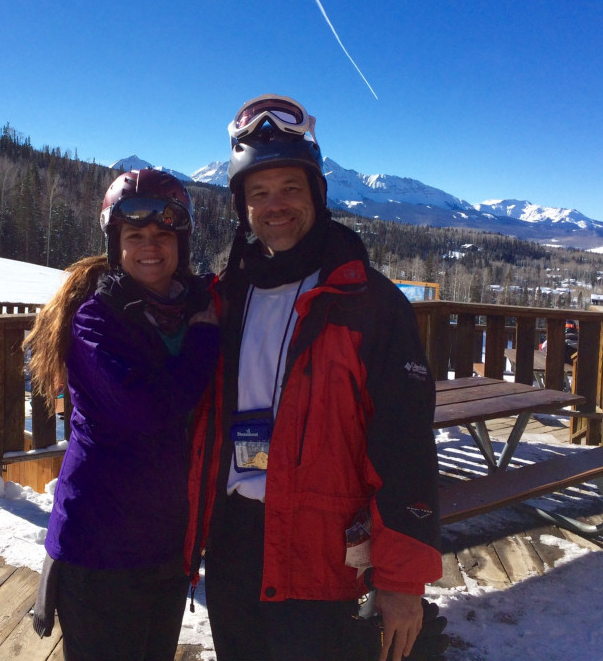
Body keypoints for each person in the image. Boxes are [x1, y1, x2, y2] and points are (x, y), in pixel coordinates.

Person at [184, 95, 445, 661]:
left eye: (290, 189)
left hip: (326, 553)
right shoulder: (227, 297)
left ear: (317, 196)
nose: (274, 206)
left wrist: (402, 580)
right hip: (235, 549)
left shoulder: (370, 304)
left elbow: (403, 446)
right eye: (258, 193)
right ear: (241, 206)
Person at [27, 168, 220, 661]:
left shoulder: (192, 304)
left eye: (163, 234)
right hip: (101, 546)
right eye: (135, 235)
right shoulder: (96, 318)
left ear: (182, 241)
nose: (150, 246)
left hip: (165, 542)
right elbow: (149, 410)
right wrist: (203, 342)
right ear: (117, 244)